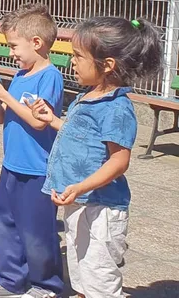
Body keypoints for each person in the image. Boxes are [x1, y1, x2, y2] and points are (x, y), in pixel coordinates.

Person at [31, 17, 161, 298]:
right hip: (80, 200)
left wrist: (81, 186)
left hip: (100, 207)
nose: (72, 63)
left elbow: (119, 161)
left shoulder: (116, 108)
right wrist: (52, 120)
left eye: (78, 56)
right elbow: (82, 137)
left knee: (100, 276)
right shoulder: (88, 96)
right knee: (82, 270)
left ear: (108, 65)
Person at [0, 4, 64, 298]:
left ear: (36, 43)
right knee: (6, 224)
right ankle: (10, 279)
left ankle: (46, 284)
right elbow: (1, 118)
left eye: (14, 46)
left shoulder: (49, 76)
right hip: (13, 164)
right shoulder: (20, 75)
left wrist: (4, 95)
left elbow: (40, 122)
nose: (11, 53)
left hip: (37, 169)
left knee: (37, 231)